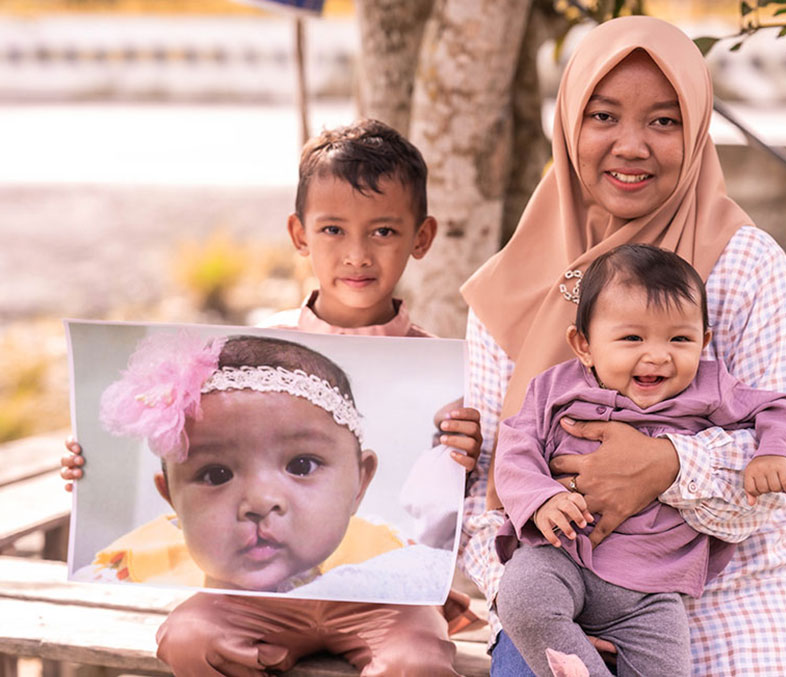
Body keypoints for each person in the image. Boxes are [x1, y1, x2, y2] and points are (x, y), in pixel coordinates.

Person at [457, 16, 786, 676]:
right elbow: (480, 499)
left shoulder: (743, 264)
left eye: (664, 122)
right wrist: (536, 608)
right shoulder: (512, 285)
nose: (630, 145)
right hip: (563, 590)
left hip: (737, 590)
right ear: (569, 123)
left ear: (695, 133)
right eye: (603, 115)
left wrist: (667, 465)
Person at [63, 119, 483, 676]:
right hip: (252, 600)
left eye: (383, 232)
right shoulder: (247, 351)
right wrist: (82, 467)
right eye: (333, 230)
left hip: (383, 603)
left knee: (416, 660)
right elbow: (181, 445)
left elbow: (463, 507)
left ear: (421, 238)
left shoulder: (445, 372)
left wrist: (469, 458)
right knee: (188, 636)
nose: (357, 254)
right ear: (300, 234)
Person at [493, 244, 786, 676]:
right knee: (523, 599)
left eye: (680, 339)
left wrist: (775, 452)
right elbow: (515, 449)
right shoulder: (554, 388)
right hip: (559, 554)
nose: (658, 356)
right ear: (583, 345)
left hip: (652, 589)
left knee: (666, 667)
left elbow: (781, 409)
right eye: (632, 338)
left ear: (704, 342)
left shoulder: (709, 386)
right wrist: (543, 497)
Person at [79, 331, 457, 599]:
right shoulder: (134, 577)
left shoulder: (388, 562)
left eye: (302, 465)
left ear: (360, 482)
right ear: (171, 497)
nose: (260, 502)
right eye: (216, 475)